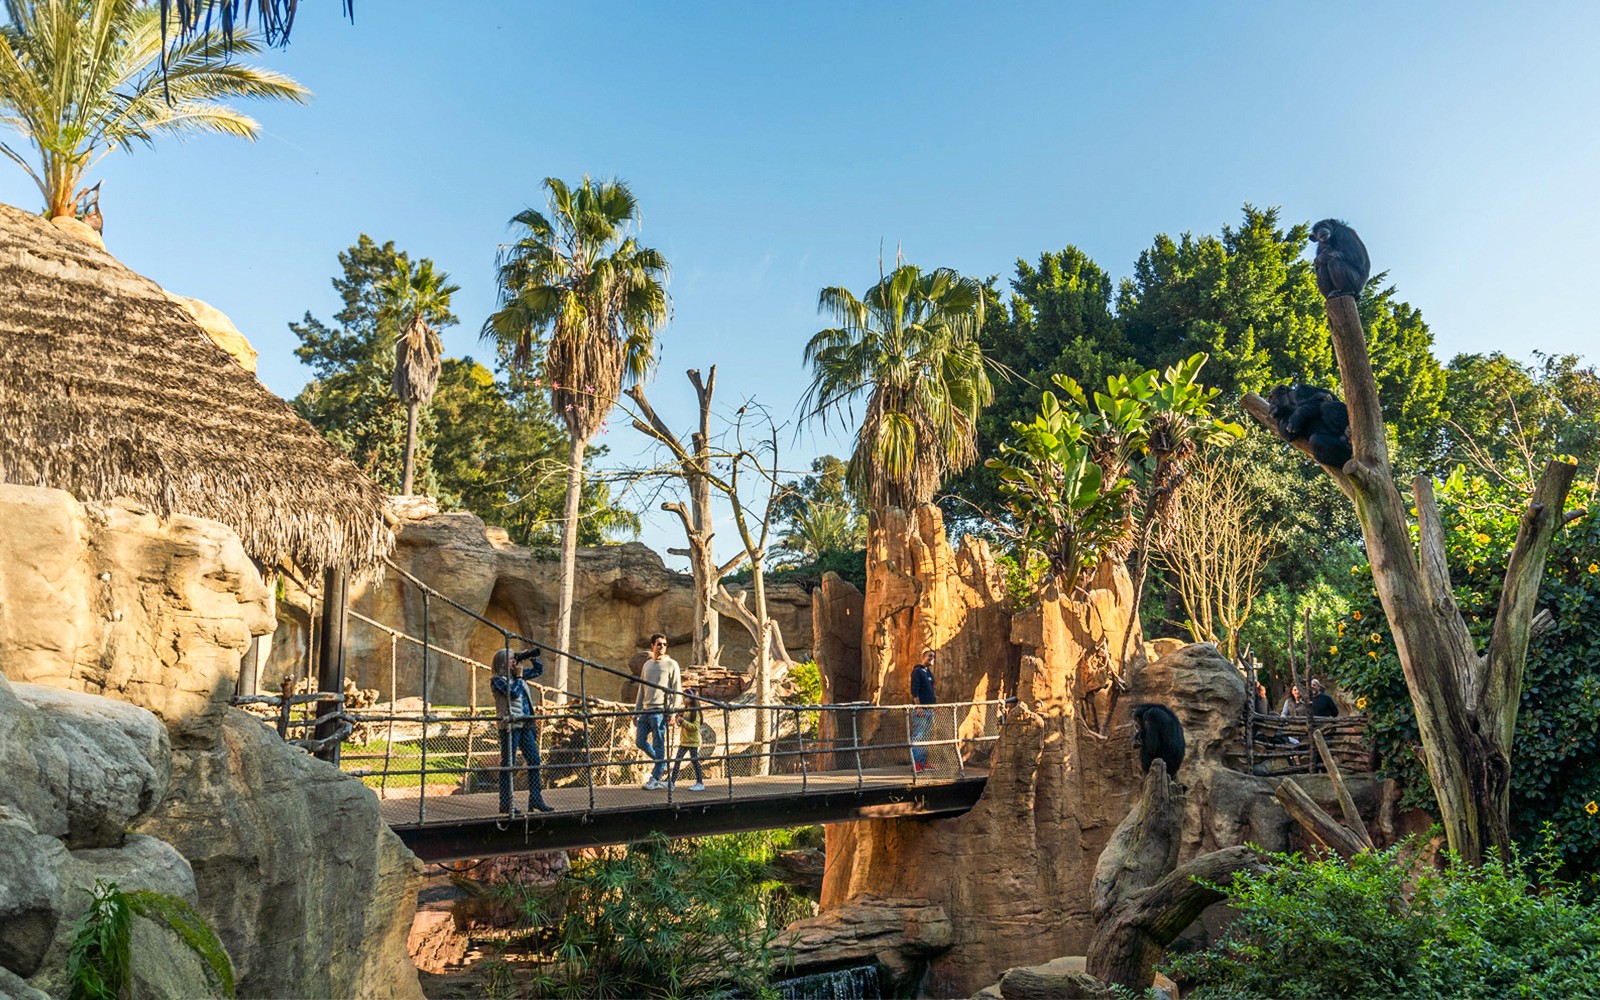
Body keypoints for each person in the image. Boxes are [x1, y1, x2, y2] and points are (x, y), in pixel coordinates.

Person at [491, 645, 553, 815]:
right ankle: (506, 803)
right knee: (508, 765)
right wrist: (518, 677)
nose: (514, 661)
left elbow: (537, 671)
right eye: (511, 659)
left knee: (534, 760)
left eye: (514, 658)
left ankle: (535, 799)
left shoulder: (517, 676)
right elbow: (514, 694)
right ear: (503, 663)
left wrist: (532, 658)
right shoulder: (497, 680)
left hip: (525, 725)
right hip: (510, 727)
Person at [635, 633, 681, 789]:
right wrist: (637, 711)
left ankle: (655, 778)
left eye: (665, 644)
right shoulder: (647, 665)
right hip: (646, 710)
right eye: (659, 644)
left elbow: (677, 690)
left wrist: (673, 713)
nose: (662, 647)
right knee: (640, 741)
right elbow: (641, 689)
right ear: (652, 646)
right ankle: (661, 763)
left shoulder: (671, 664)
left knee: (659, 744)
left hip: (660, 710)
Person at [671, 686, 707, 791]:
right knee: (677, 761)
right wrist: (678, 719)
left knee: (694, 761)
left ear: (691, 699)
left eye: (685, 697)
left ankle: (700, 783)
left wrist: (682, 721)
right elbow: (681, 724)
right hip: (684, 741)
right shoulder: (685, 710)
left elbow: (695, 728)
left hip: (692, 742)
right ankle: (672, 782)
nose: (683, 699)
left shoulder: (695, 712)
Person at [910, 648, 937, 772]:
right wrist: (918, 706)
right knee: (919, 735)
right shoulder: (917, 671)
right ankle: (916, 763)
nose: (932, 658)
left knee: (926, 736)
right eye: (930, 656)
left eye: (933, 656)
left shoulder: (929, 674)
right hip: (921, 710)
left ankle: (922, 762)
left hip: (930, 709)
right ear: (923, 657)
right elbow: (914, 690)